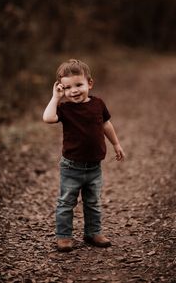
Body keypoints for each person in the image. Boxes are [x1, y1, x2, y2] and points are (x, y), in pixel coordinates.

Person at [43, 59, 125, 252]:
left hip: (94, 167)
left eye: (78, 85)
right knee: (66, 202)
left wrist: (116, 144)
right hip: (71, 167)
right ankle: (64, 236)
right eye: (68, 87)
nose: (74, 91)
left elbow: (106, 125)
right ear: (62, 89)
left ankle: (92, 232)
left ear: (89, 83)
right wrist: (55, 98)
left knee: (93, 202)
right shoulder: (64, 109)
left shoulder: (98, 104)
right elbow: (47, 118)